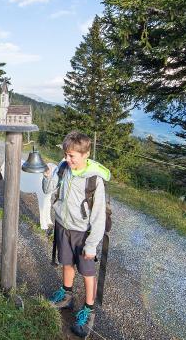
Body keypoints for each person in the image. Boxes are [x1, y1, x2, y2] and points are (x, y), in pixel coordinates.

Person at [42, 131, 111, 338]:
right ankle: (67, 294)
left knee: (88, 272)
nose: (67, 159)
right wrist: (48, 175)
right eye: (66, 154)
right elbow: (48, 190)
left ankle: (88, 311)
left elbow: (98, 216)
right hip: (63, 225)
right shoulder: (63, 168)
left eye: (72, 156)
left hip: (83, 233)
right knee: (66, 263)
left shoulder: (94, 181)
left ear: (85, 154)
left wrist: (91, 245)